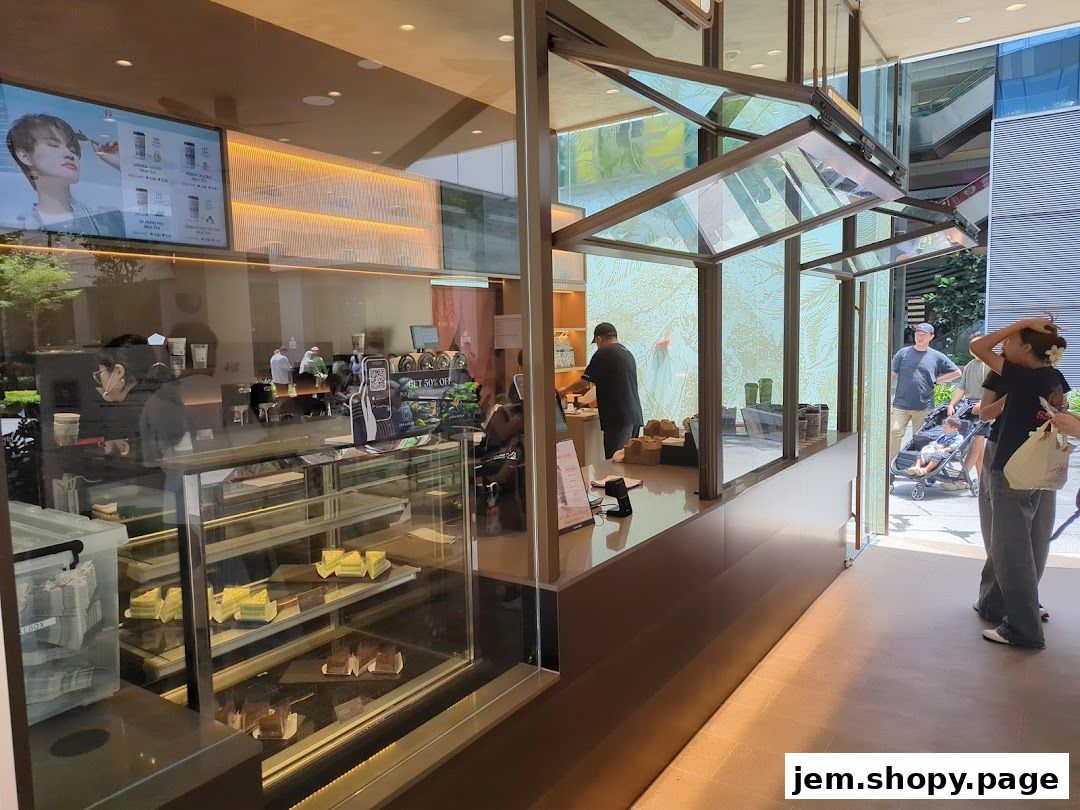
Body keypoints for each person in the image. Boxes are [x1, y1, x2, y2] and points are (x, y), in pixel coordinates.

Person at [970, 317, 1069, 648]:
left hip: (1012, 465)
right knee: (1030, 540)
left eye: (1011, 341)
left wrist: (1024, 322)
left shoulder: (1021, 376)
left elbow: (978, 346)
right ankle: (1007, 606)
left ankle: (1022, 625)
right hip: (1037, 464)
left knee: (1010, 545)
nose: (1003, 346)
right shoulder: (1053, 377)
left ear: (1027, 347)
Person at [6, 113, 124, 236]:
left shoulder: (109, 218)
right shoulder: (15, 228)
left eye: (72, 149)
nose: (69, 154)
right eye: (53, 145)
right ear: (25, 156)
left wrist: (122, 164)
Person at [559, 322, 643, 459]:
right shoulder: (627, 353)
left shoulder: (603, 353)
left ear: (599, 339)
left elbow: (583, 382)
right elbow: (616, 387)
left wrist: (564, 391)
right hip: (634, 416)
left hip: (618, 419)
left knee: (614, 462)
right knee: (627, 461)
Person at [889, 323, 961, 461]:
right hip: (900, 405)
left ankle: (919, 467)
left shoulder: (936, 356)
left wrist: (938, 380)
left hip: (924, 406)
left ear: (931, 337)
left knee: (922, 438)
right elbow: (892, 375)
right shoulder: (902, 353)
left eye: (923, 335)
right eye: (917, 334)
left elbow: (957, 372)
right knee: (894, 432)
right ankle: (891, 466)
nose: (919, 337)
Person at [942, 335, 991, 490]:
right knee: (979, 446)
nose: (973, 348)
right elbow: (961, 389)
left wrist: (983, 404)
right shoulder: (970, 365)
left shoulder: (990, 365)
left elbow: (995, 390)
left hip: (984, 408)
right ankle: (984, 482)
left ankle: (961, 480)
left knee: (976, 444)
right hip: (968, 407)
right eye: (971, 345)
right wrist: (951, 404)